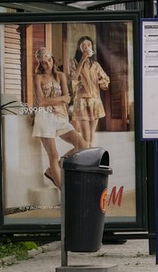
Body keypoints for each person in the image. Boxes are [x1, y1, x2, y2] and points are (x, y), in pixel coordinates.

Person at [31, 47, 81, 188]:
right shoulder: (38, 78)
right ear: (39, 63)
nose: (47, 64)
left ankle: (53, 170)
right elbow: (41, 101)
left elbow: (68, 98)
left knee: (82, 146)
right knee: (53, 154)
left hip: (60, 117)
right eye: (43, 62)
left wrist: (58, 101)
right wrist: (61, 98)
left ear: (52, 58)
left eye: (49, 60)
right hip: (44, 116)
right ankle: (63, 192)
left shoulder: (61, 76)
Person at [69, 35, 110, 149]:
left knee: (91, 137)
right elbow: (74, 78)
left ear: (92, 47)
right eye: (83, 45)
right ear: (79, 48)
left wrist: (100, 81)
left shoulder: (95, 65)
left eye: (89, 45)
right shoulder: (74, 62)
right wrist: (82, 59)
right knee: (85, 137)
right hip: (82, 102)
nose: (86, 47)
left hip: (95, 102)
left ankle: (88, 161)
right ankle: (84, 162)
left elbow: (106, 79)